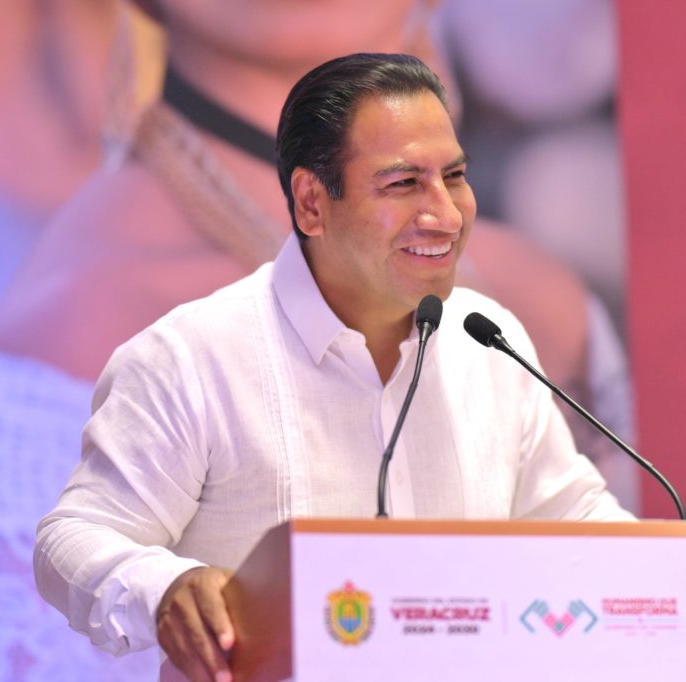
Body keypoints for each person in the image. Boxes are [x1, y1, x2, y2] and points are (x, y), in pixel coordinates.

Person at [34, 52, 633, 681]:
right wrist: (164, 589)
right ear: (312, 202)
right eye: (403, 184)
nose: (448, 214)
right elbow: (74, 537)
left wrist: (671, 587)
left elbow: (573, 518)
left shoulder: (488, 339)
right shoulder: (192, 357)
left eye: (454, 176)